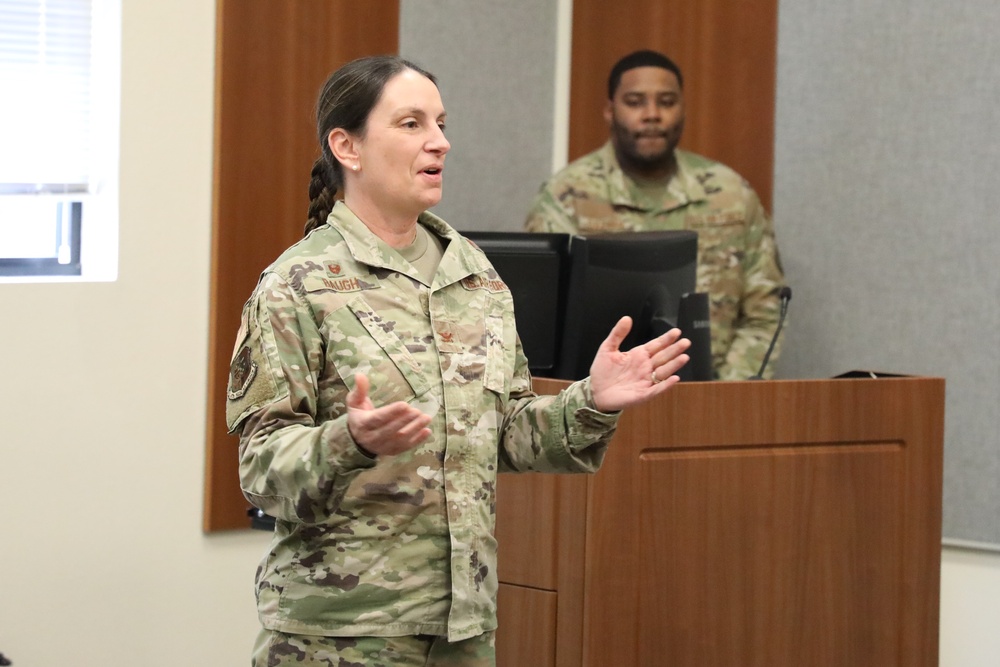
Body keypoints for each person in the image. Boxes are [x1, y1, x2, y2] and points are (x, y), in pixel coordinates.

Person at [225, 54, 691, 667]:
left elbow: (507, 434)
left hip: (462, 630)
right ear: (347, 146)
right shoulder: (297, 284)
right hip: (338, 634)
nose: (440, 142)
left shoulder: (473, 275)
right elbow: (259, 470)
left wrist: (590, 401)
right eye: (411, 124)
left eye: (441, 123)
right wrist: (349, 440)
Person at [525, 49, 787, 381]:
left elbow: (765, 311)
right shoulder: (566, 197)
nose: (652, 114)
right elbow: (545, 327)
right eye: (635, 102)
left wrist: (724, 396)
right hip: (597, 406)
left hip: (715, 402)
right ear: (609, 110)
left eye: (666, 102)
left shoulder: (731, 195)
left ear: (683, 109)